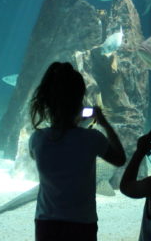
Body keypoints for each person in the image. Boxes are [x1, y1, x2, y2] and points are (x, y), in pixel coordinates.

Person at [28, 62, 126, 241]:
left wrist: (70, 121)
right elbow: (120, 159)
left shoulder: (37, 138)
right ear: (80, 101)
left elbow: (42, 154)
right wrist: (104, 123)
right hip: (81, 223)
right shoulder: (92, 138)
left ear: (46, 102)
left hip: (46, 223)